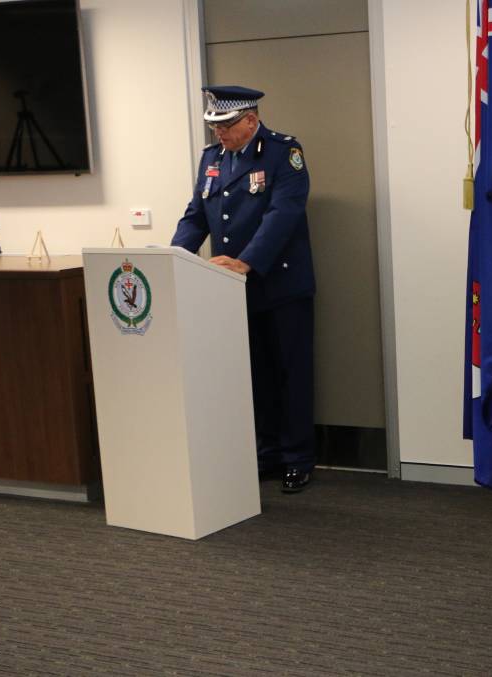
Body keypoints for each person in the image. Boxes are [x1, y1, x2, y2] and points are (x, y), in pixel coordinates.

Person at [171, 85, 317, 493]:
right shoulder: (212, 158)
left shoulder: (283, 153)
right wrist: (173, 258)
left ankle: (297, 458)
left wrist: (246, 261)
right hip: (230, 289)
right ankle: (267, 453)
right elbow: (196, 215)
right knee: (253, 375)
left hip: (281, 284)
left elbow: (283, 213)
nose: (219, 133)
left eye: (226, 125)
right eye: (214, 125)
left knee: (291, 373)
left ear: (250, 120)